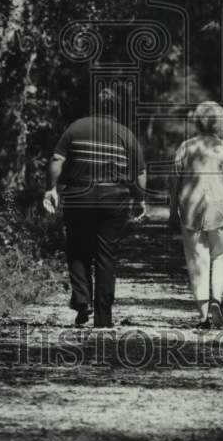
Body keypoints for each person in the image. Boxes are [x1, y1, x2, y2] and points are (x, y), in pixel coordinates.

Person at [43, 87, 146, 329]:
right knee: (105, 256)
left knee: (78, 249)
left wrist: (51, 189)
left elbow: (57, 159)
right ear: (117, 109)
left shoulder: (76, 128)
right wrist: (140, 199)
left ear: (94, 106)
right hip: (114, 199)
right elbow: (140, 172)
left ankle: (81, 301)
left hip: (79, 197)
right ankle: (103, 318)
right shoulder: (125, 134)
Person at [169, 101, 223, 330]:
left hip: (190, 210)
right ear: (220, 123)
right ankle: (217, 300)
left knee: (197, 260)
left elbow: (173, 183)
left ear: (197, 121)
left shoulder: (185, 147)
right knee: (221, 256)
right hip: (221, 210)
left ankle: (204, 316)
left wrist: (171, 213)